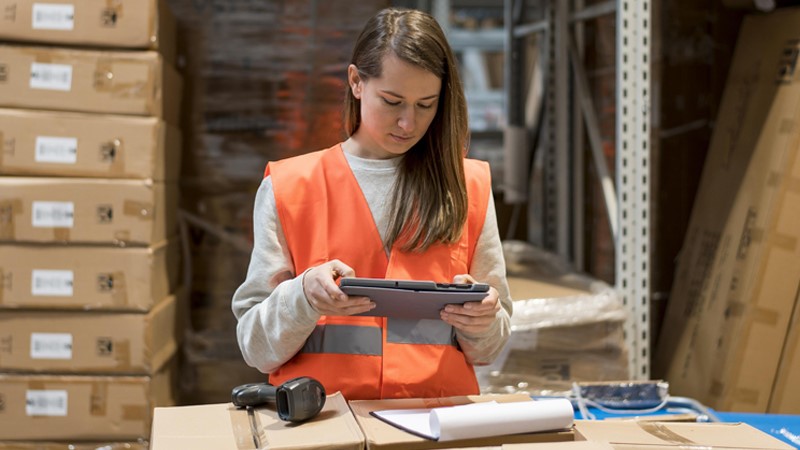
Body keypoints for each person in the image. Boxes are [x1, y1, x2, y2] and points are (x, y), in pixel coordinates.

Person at [232, 7, 512, 401]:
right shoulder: (290, 186)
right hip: (326, 423)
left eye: (426, 104)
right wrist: (303, 297)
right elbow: (256, 349)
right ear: (356, 82)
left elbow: (489, 349)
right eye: (392, 101)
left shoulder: (468, 187)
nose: (408, 123)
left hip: (436, 423)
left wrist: (482, 321)